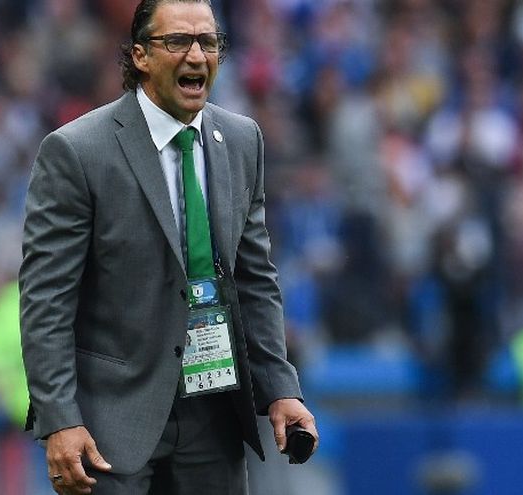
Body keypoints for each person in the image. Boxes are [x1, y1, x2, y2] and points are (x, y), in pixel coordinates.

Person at [19, 1, 318, 494]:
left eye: (208, 42)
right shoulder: (77, 151)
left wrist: (281, 388)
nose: (196, 55)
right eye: (178, 41)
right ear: (140, 55)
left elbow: (254, 279)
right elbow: (46, 299)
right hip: (111, 420)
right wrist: (59, 418)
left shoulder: (242, 140)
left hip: (214, 411)